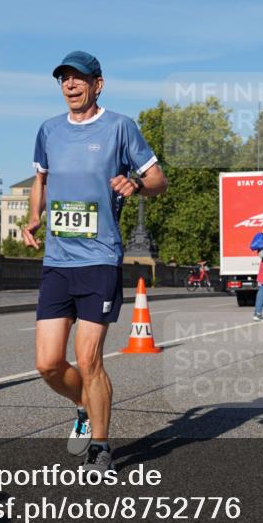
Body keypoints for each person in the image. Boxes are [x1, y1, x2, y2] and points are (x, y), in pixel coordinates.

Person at [23, 50, 167, 473]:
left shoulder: (120, 127)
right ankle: (86, 405)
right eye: (64, 79)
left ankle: (100, 446)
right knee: (48, 364)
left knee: (89, 360)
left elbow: (158, 180)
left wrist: (136, 183)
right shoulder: (48, 130)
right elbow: (41, 179)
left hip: (100, 259)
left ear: (97, 84)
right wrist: (35, 217)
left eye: (78, 79)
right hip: (57, 260)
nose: (70, 85)